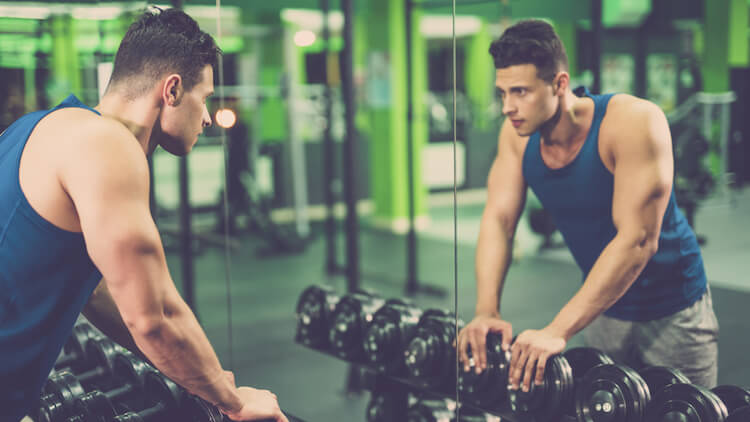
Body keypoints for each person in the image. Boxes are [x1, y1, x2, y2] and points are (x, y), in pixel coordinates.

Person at [0, 7, 288, 422]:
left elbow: (99, 292)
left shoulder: (38, 127)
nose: (207, 117)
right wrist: (235, 401)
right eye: (203, 98)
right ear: (171, 90)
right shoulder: (108, 145)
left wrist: (200, 373)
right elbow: (155, 318)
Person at [456, 19, 718, 393]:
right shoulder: (517, 138)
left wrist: (556, 330)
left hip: (673, 310)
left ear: (560, 84)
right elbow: (499, 219)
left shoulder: (632, 122)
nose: (507, 107)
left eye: (520, 92)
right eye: (502, 93)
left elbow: (638, 241)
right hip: (601, 306)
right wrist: (487, 310)